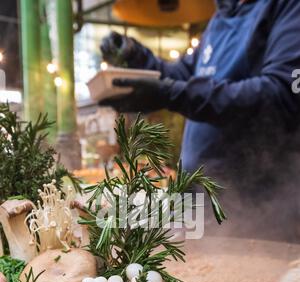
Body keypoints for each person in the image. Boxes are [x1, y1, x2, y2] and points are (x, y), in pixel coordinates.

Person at [99, 0, 300, 241]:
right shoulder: (221, 15)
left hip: (257, 210)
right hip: (199, 202)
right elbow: (183, 75)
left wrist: (170, 93)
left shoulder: (288, 7)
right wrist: (136, 57)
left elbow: (279, 95)